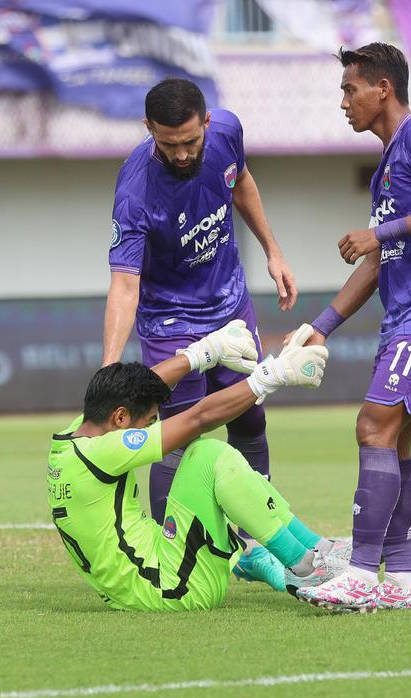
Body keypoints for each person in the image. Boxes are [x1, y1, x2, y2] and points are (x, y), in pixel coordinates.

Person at [293, 43, 411, 612]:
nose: (343, 101)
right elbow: (379, 262)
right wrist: (323, 325)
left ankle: (357, 574)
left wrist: (381, 231)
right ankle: (399, 579)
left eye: (350, 89)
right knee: (393, 442)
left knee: (372, 426)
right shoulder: (387, 168)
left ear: (383, 89)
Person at [104, 77, 299, 530]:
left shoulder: (228, 132)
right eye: (169, 144)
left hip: (231, 304)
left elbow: (242, 181)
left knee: (250, 419)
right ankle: (167, 550)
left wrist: (273, 250)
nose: (183, 154)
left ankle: (256, 541)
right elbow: (124, 285)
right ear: (148, 127)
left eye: (191, 140)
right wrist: (110, 365)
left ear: (207, 122)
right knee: (178, 435)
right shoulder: (135, 193)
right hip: (171, 319)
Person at [48, 320, 350, 611]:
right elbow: (198, 418)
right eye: (148, 423)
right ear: (120, 418)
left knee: (200, 457)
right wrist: (273, 374)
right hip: (171, 589)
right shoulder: (104, 451)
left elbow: (138, 389)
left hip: (146, 582)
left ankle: (315, 549)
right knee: (209, 455)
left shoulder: (73, 439)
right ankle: (306, 567)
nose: (151, 428)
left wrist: (204, 351)